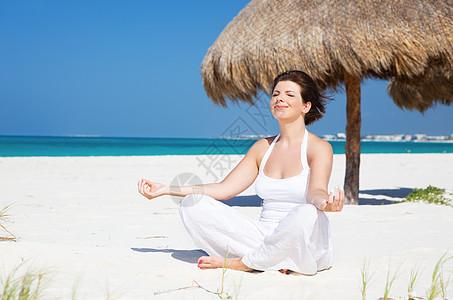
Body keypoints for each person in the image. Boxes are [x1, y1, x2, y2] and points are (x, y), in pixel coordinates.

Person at [138, 70, 344, 275]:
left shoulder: (319, 147)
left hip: (304, 239)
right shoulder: (262, 147)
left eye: (290, 95)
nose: (280, 98)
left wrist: (324, 203)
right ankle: (271, 259)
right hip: (262, 237)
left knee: (306, 211)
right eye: (275, 94)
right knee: (192, 204)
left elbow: (316, 191)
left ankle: (243, 262)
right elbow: (224, 189)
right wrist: (166, 189)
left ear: (305, 106)